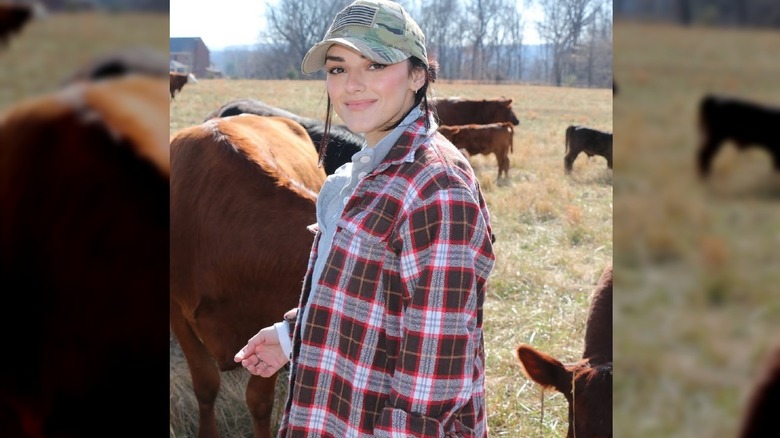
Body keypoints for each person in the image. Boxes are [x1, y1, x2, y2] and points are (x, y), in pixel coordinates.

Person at [234, 0, 495, 436]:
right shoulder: (373, 165)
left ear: (418, 74)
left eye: (375, 64)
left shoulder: (436, 188)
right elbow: (365, 291)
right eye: (337, 69)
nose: (352, 85)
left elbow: (435, 371)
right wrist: (291, 334)